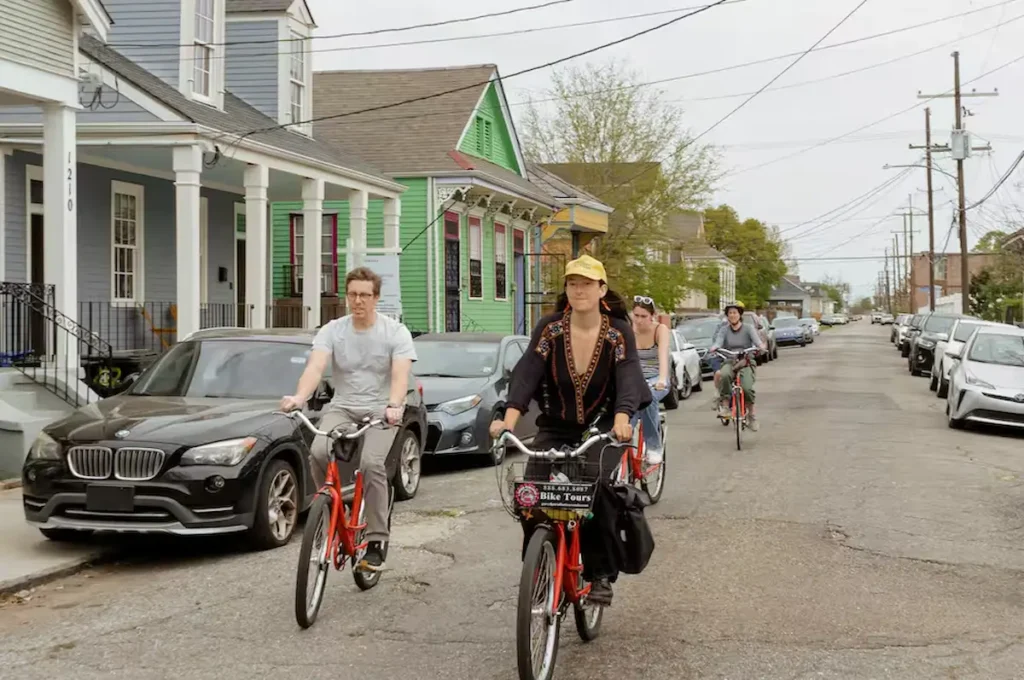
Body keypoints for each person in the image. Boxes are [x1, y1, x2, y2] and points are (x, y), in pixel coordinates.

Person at [489, 254, 650, 606]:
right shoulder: (550, 328)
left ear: (601, 289)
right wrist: (508, 421)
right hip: (557, 425)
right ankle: (542, 561)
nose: (579, 290)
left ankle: (600, 573)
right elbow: (527, 373)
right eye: (573, 283)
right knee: (532, 495)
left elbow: (627, 376)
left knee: (596, 487)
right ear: (566, 288)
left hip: (605, 424)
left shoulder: (617, 332)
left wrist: (623, 418)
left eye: (587, 284)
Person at [279, 267, 417, 573]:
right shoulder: (333, 330)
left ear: (376, 298)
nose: (358, 301)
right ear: (347, 296)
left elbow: (399, 374)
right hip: (342, 406)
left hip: (382, 409)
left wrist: (394, 404)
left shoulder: (395, 332)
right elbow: (316, 368)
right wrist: (299, 397)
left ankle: (378, 540)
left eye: (365, 295)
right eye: (352, 294)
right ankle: (331, 509)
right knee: (317, 451)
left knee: (371, 464)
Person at [709, 301, 765, 431]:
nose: (732, 315)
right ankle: (726, 406)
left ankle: (751, 415)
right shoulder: (724, 330)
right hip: (730, 360)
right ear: (727, 315)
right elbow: (718, 341)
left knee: (746, 388)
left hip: (746, 361)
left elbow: (757, 341)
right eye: (730, 313)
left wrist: (761, 347)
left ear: (740, 314)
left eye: (735, 313)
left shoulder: (748, 328)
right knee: (724, 374)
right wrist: (714, 348)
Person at [631, 295, 671, 464]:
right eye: (636, 315)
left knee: (648, 398)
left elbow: (663, 356)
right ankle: (621, 447)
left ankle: (654, 446)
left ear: (652, 315)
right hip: (634, 379)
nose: (639, 321)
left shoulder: (660, 330)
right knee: (625, 410)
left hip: (656, 378)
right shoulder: (628, 330)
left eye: (643, 316)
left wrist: (661, 379)